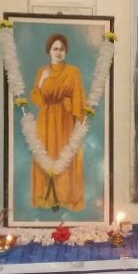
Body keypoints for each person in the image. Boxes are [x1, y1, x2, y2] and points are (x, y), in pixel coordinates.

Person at [30, 32, 87, 211]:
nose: (58, 52)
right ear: (49, 51)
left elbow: (79, 97)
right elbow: (37, 99)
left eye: (62, 49)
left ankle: (65, 197)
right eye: (55, 49)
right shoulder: (42, 72)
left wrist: (78, 122)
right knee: (46, 154)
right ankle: (47, 197)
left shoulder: (73, 72)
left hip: (65, 119)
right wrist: (42, 80)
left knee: (65, 155)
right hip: (46, 120)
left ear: (66, 51)